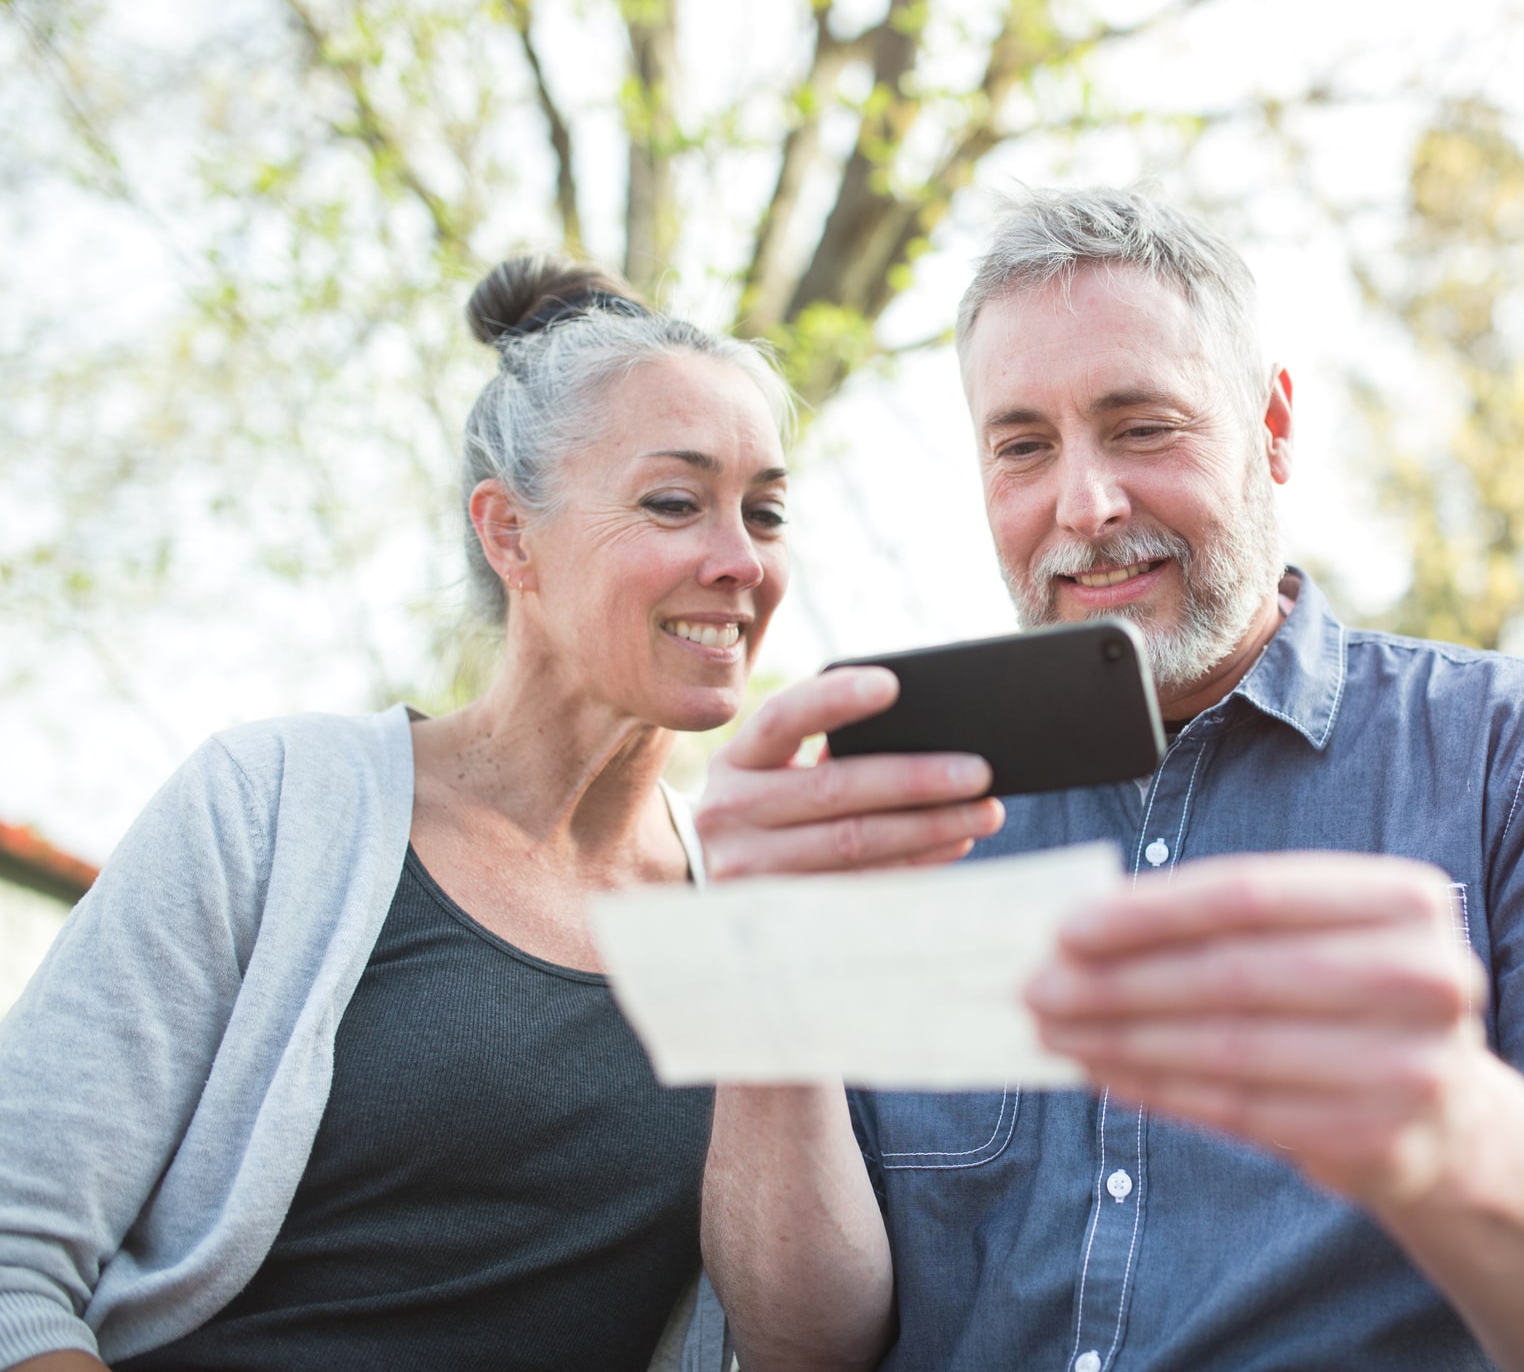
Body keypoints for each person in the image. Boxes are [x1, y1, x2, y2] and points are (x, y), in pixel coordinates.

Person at [692, 188, 1524, 1372]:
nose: (1085, 504)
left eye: (1143, 426)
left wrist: (1453, 1128)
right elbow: (804, 1347)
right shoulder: (887, 820)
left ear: (1274, 427)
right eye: (1023, 447)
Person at [0, 254, 883, 1372]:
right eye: (675, 503)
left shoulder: (754, 899)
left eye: (765, 512)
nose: (739, 562)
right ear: (510, 535)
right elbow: (14, 1252)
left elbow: (813, 1344)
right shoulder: (270, 807)